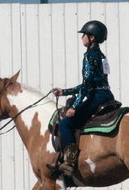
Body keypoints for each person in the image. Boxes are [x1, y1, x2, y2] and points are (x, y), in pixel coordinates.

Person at [48, 20, 115, 177]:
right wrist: (64, 91)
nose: (82, 37)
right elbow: (89, 83)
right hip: (106, 94)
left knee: (65, 123)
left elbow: (87, 87)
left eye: (84, 34)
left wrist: (75, 107)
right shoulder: (100, 55)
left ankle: (69, 162)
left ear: (92, 37)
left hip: (96, 96)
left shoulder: (89, 56)